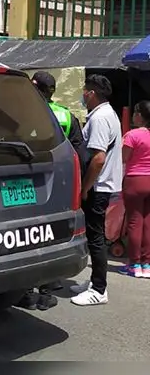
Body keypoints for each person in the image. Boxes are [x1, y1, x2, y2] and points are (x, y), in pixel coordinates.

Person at [16, 71, 85, 310]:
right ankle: (47, 289)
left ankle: (25, 290)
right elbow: (79, 155)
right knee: (50, 235)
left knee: (24, 236)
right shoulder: (66, 115)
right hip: (56, 187)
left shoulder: (19, 113)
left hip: (21, 187)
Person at [70, 74, 123, 306]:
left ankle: (99, 289)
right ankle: (94, 282)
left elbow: (98, 158)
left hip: (98, 186)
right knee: (94, 235)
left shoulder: (100, 118)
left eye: (84, 91)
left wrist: (85, 188)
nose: (82, 95)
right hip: (101, 184)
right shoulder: (107, 114)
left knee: (96, 237)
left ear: (91, 93)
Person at [120, 100, 150, 277]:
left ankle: (134, 264)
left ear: (139, 115)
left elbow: (123, 158)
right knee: (148, 223)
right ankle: (147, 264)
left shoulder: (132, 135)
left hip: (134, 179)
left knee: (134, 222)